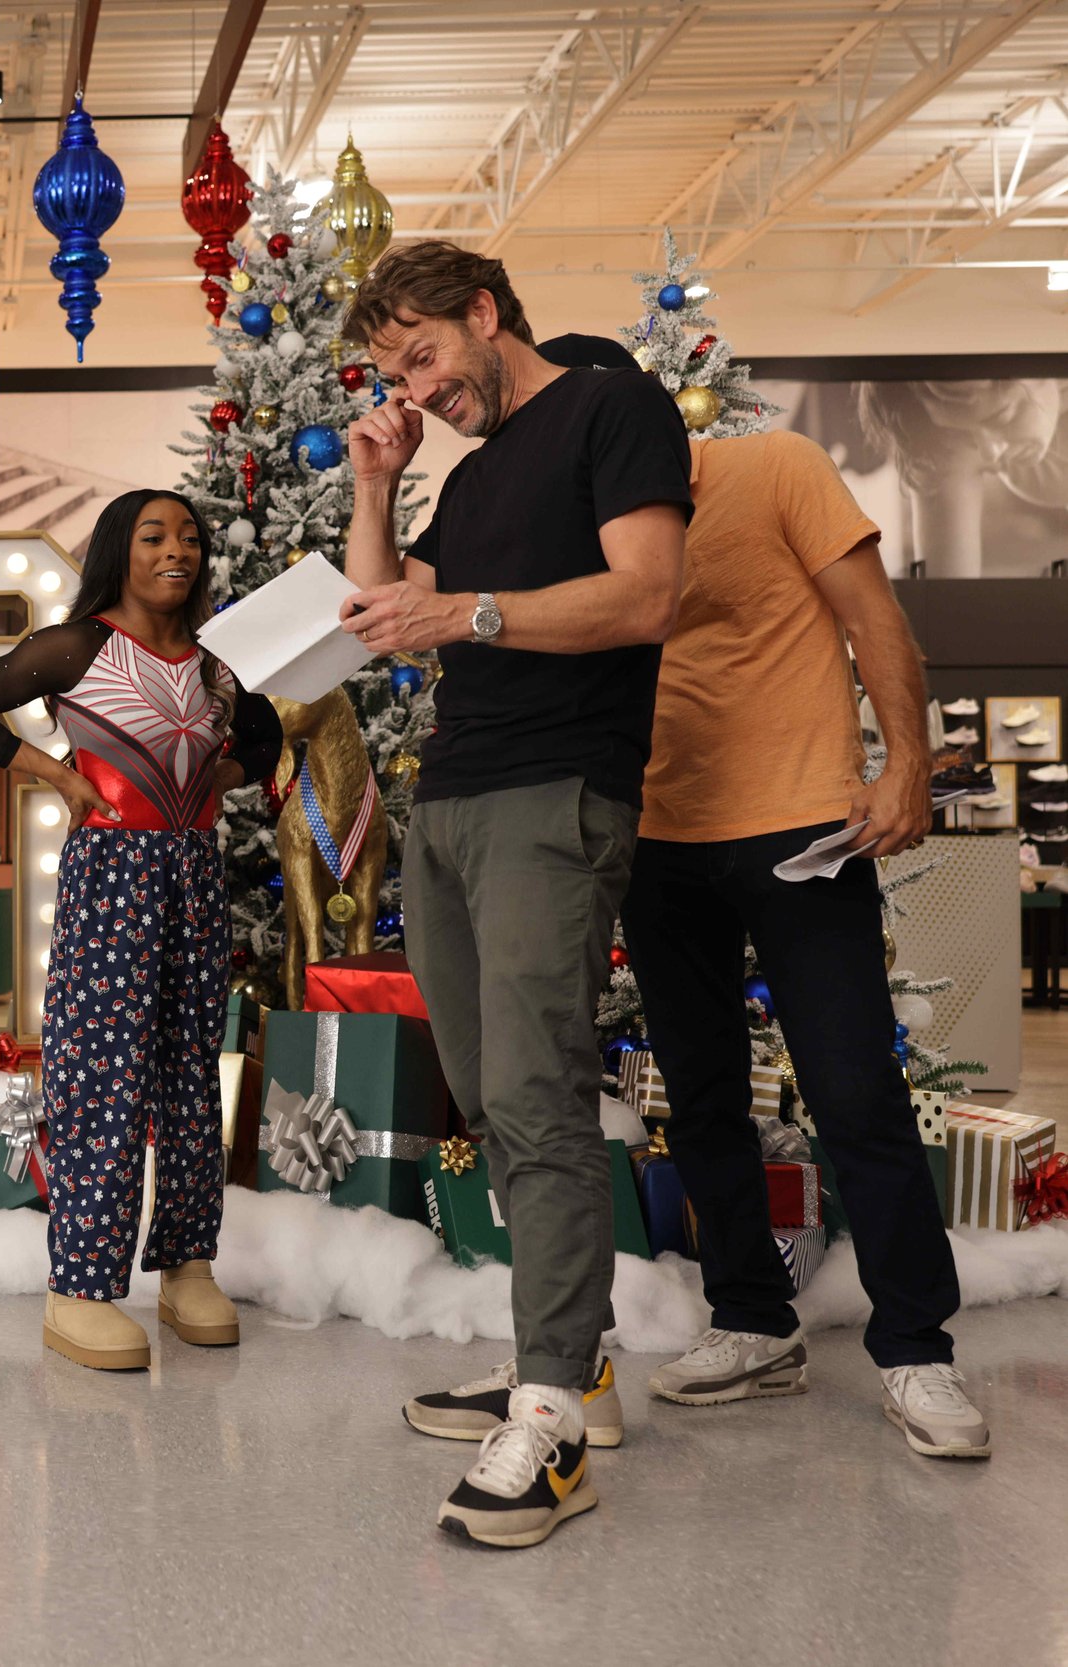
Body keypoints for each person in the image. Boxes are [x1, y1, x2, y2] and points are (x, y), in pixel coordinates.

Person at [523, 334, 985, 1458]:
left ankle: (917, 1347)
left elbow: (876, 621)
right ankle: (750, 1320)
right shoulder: (582, 524)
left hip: (801, 831)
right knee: (704, 1094)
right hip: (656, 836)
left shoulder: (772, 469)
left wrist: (904, 763)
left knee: (851, 1088)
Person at [337, 244, 691, 1548]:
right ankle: (578, 1361)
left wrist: (469, 616)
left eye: (423, 356)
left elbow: (648, 593)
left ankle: (549, 1417)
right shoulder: (472, 477)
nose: (417, 389)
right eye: (393, 375)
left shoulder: (611, 409)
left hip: (559, 794)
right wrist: (379, 483)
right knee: (491, 1093)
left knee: (539, 1091)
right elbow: (386, 604)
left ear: (487, 313)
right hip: (455, 801)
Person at [0, 489, 282, 1372]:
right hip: (112, 874)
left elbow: (268, 741)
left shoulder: (214, 662)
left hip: (194, 875)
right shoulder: (78, 645)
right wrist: (52, 771)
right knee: (102, 1075)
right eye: (156, 536)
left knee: (191, 1076)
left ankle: (187, 1264)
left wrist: (219, 777)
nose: (179, 551)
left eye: (192, 538)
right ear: (118, 548)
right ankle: (80, 1287)